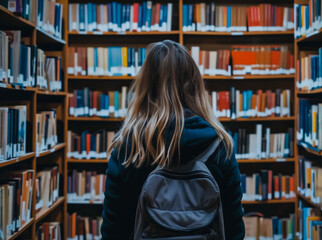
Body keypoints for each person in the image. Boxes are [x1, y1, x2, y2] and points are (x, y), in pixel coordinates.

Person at [101, 40, 245, 240]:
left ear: (145, 88)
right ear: (195, 86)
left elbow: (112, 231)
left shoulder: (129, 148)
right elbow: (234, 230)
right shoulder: (221, 146)